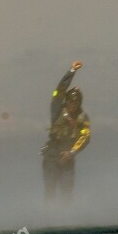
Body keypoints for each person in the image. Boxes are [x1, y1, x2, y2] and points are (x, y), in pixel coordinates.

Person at [41, 61, 91, 201]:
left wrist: (72, 152)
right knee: (50, 191)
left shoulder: (82, 118)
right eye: (70, 103)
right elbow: (60, 90)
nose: (73, 106)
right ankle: (48, 217)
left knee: (67, 193)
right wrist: (71, 71)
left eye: (76, 103)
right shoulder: (57, 110)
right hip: (52, 154)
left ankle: (66, 217)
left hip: (68, 156)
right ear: (66, 102)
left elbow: (85, 136)